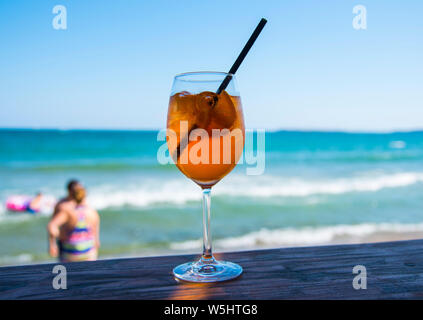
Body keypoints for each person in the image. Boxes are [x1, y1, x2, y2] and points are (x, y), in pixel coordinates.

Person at [47, 180, 100, 262]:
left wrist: (53, 243)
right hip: (89, 251)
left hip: (70, 251)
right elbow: (95, 233)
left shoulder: (64, 208)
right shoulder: (92, 211)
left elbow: (52, 225)